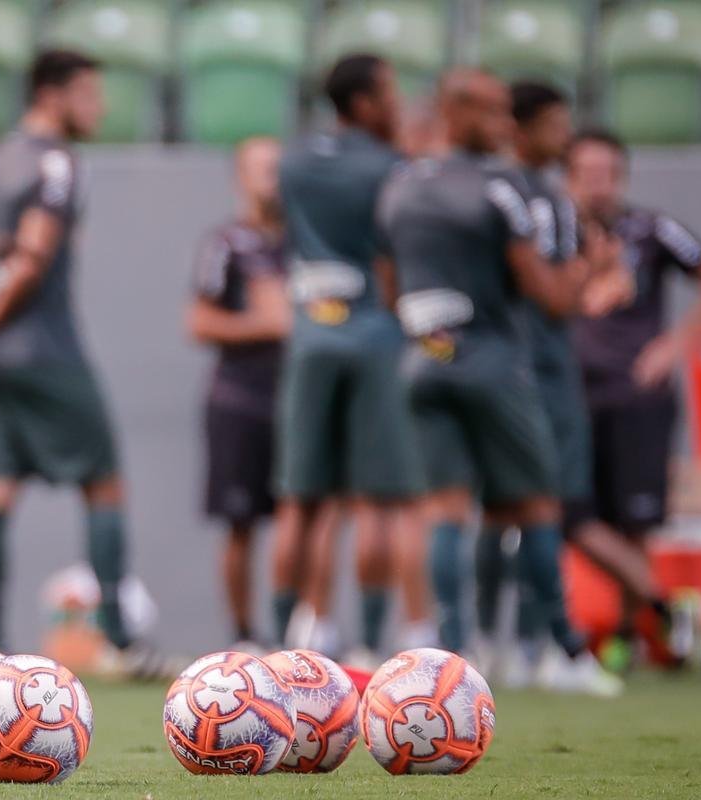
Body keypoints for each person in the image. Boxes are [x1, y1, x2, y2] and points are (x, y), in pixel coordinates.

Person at [378, 68, 621, 695]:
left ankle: (456, 656)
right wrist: (588, 269)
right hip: (492, 361)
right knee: (537, 502)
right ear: (457, 114)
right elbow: (550, 297)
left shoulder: (403, 182)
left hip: (422, 360)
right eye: (491, 113)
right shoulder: (506, 187)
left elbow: (387, 282)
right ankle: (565, 653)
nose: (503, 126)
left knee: (447, 509)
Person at [0, 50, 142, 666]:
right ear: (53, 95)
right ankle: (118, 637)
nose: (100, 107)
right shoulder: (57, 162)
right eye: (89, 93)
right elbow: (31, 256)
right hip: (44, 348)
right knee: (104, 484)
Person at [273, 54, 432, 661]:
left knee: (303, 501)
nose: (398, 102)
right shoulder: (392, 167)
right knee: (378, 499)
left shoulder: (294, 160)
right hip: (374, 335)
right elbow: (394, 256)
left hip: (311, 336)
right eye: (391, 91)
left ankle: (285, 636)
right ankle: (368, 642)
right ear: (363, 102)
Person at [565, 128, 701, 670]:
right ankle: (668, 608)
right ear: (568, 178)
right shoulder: (553, 237)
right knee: (570, 515)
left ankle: (626, 639)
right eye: (587, 175)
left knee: (636, 522)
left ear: (622, 177)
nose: (598, 186)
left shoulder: (652, 229)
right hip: (572, 398)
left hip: (637, 397)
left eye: (607, 174)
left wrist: (675, 343)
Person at [186, 136, 289, 650]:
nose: (272, 177)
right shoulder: (225, 243)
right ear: (239, 178)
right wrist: (268, 324)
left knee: (307, 515)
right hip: (240, 401)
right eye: (261, 168)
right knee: (240, 523)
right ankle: (245, 635)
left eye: (278, 167)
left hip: (300, 401)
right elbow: (200, 321)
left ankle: (302, 635)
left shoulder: (304, 243)